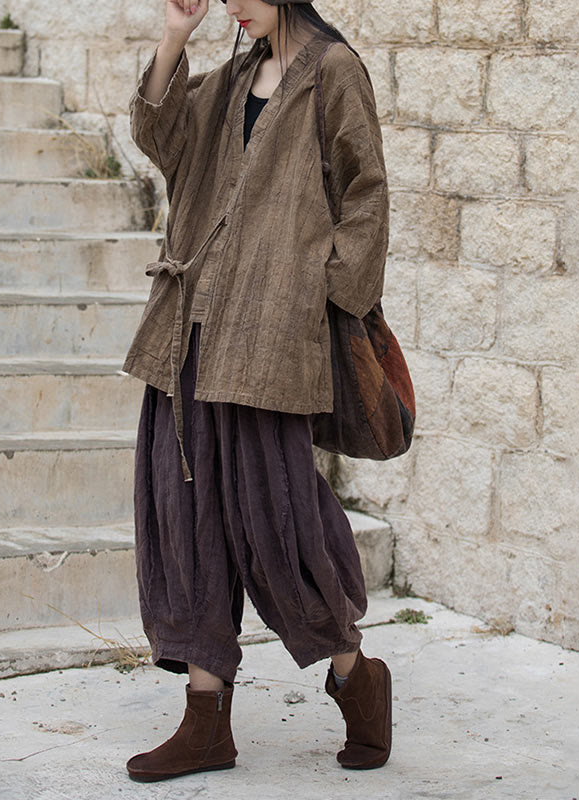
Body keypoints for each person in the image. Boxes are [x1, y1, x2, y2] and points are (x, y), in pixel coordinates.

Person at [123, 0, 392, 782]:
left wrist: (318, 296)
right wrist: (176, 33)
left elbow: (366, 196)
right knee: (187, 520)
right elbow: (160, 137)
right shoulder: (239, 70)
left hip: (270, 339)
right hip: (190, 329)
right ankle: (206, 721)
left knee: (282, 522)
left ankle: (356, 676)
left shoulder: (334, 72)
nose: (229, 4)